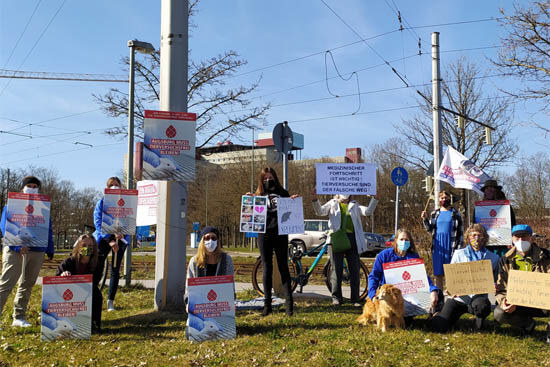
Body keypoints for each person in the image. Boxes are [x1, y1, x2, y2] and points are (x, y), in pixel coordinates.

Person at [0, 176, 54, 328]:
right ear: (23, 188)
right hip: (15, 250)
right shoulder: (12, 204)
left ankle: (19, 316)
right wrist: (17, 245)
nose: (32, 187)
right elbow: (5, 226)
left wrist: (49, 248)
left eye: (35, 186)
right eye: (29, 185)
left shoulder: (43, 207)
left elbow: (47, 228)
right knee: (6, 284)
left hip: (36, 250)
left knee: (27, 284)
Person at [430, 224, 500, 332]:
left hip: (478, 298)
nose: (476, 238)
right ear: (468, 237)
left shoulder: (494, 258)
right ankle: (438, 315)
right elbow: (451, 277)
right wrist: (450, 289)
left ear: (485, 238)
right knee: (439, 326)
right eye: (473, 235)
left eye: (479, 235)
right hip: (458, 297)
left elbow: (496, 281)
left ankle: (479, 321)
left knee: (482, 307)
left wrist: (495, 285)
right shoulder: (459, 254)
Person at [313, 191, 378, 306]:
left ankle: (355, 299)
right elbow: (320, 211)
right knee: (336, 269)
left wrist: (375, 199)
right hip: (336, 239)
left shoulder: (355, 205)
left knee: (354, 270)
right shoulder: (332, 203)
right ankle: (336, 298)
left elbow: (368, 212)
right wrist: (315, 200)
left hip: (353, 239)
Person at [368, 228, 441, 324]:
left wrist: (433, 290)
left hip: (410, 294)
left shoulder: (414, 257)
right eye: (401, 239)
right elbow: (374, 276)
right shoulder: (384, 256)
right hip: (391, 296)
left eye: (406, 240)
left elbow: (424, 278)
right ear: (396, 240)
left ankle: (435, 317)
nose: (404, 242)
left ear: (410, 242)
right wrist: (373, 294)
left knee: (438, 294)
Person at [253, 167, 298, 316]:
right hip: (264, 234)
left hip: (280, 234)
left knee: (283, 267)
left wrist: (292, 201)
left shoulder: (283, 193)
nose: (268, 181)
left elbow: (290, 211)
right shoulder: (258, 195)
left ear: (275, 178)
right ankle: (267, 305)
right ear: (261, 180)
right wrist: (249, 201)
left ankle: (289, 306)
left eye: (270, 177)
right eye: (265, 178)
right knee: (267, 268)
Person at [493, 224, 550, 344]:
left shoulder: (546, 256)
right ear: (512, 239)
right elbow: (501, 288)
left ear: (531, 238)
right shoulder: (505, 260)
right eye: (517, 237)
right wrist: (504, 302)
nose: (520, 240)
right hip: (517, 303)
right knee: (499, 313)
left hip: (543, 303)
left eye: (524, 237)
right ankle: (528, 324)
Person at [93, 177, 130, 312]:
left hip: (121, 239)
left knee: (115, 270)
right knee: (98, 266)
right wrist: (110, 239)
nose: (114, 187)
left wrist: (123, 235)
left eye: (117, 184)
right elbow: (98, 222)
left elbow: (130, 220)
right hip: (104, 240)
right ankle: (94, 295)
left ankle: (110, 301)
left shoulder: (126, 203)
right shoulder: (101, 202)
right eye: (111, 185)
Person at [57, 234, 103, 333]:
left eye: (90, 246)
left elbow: (96, 280)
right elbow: (56, 278)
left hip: (87, 289)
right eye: (84, 245)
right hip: (69, 291)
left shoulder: (98, 263)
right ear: (78, 246)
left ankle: (94, 324)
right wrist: (63, 275)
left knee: (97, 295)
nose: (87, 248)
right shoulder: (68, 262)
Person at [421, 190, 463, 288]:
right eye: (442, 198)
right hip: (438, 246)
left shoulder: (456, 213)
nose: (444, 199)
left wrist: (459, 248)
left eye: (446, 198)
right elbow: (430, 230)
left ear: (449, 198)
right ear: (439, 199)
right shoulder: (434, 214)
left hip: (451, 245)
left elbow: (460, 233)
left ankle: (450, 296)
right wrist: (425, 219)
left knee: (451, 273)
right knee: (438, 274)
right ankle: (439, 296)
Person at [185, 226, 234, 303]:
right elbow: (189, 285)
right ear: (202, 241)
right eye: (207, 238)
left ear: (218, 241)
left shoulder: (227, 260)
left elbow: (230, 284)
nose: (210, 241)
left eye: (213, 238)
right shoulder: (194, 261)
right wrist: (188, 302)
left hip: (221, 303)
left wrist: (232, 300)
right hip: (200, 303)